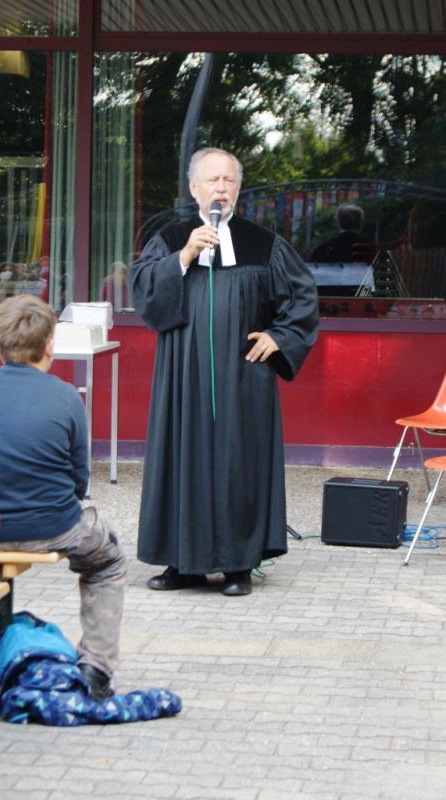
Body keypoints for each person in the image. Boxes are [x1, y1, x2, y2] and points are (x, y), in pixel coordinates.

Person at [129, 146, 319, 596]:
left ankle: (238, 565)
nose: (221, 188)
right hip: (183, 375)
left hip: (244, 375)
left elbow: (302, 297)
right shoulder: (170, 239)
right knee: (183, 460)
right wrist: (184, 257)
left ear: (238, 188)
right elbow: (143, 291)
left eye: (228, 180)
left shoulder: (263, 243)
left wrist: (280, 336)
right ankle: (183, 563)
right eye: (212, 179)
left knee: (240, 462)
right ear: (194, 187)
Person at [0, 295, 127, 702]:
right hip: (54, 525)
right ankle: (96, 668)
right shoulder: (66, 396)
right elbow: (79, 480)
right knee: (109, 561)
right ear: (50, 344)